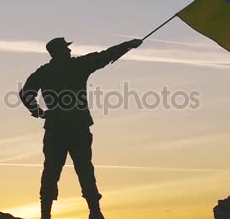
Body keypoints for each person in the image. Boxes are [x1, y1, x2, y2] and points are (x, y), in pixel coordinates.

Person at [19, 37, 142, 219]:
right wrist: (128, 45)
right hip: (77, 126)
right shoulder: (78, 65)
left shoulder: (43, 72)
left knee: (51, 171)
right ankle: (94, 211)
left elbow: (25, 93)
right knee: (84, 169)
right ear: (61, 51)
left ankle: (46, 215)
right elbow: (104, 57)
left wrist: (37, 111)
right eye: (67, 49)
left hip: (55, 128)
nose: (70, 51)